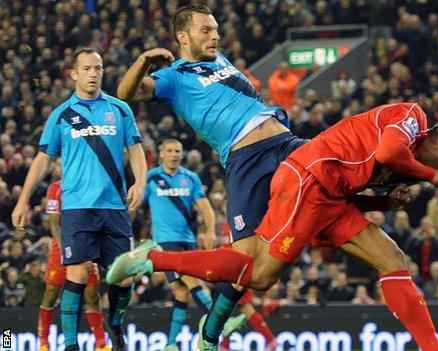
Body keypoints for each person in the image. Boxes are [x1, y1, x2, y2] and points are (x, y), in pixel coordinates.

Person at [108, 103, 438, 351]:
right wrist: (432, 175)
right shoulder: (413, 118)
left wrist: (384, 202)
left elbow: (356, 185)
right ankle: (154, 258)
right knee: (259, 274)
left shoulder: (406, 165)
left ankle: (434, 348)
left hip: (332, 198)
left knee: (393, 259)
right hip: (308, 179)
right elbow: (385, 153)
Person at [115, 4, 295, 348]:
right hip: (244, 161)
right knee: (243, 265)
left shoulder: (221, 61)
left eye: (215, 29)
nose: (215, 36)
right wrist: (142, 62)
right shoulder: (173, 76)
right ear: (182, 37)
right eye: (206, 31)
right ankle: (208, 334)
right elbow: (126, 94)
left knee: (330, 161)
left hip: (282, 142)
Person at [12, 47, 147, 351]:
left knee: (123, 279)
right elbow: (43, 160)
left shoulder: (120, 109)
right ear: (74, 74)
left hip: (114, 206)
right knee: (77, 272)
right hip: (77, 207)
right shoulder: (61, 115)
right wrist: (22, 201)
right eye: (86, 68)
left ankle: (115, 325)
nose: (93, 73)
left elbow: (136, 150)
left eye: (97, 68)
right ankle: (70, 344)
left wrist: (141, 181)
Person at [144, 138, 228, 351]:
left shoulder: (190, 179)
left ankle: (171, 344)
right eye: (170, 150)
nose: (174, 154)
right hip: (165, 241)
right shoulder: (150, 178)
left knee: (182, 292)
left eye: (178, 151)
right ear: (161, 153)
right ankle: (220, 322)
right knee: (191, 280)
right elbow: (135, 205)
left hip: (188, 240)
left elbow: (205, 207)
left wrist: (210, 230)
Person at [39, 169, 110, 351]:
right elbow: (54, 223)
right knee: (51, 294)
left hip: (87, 247)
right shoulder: (56, 189)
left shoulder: (90, 188)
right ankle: (44, 343)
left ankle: (101, 344)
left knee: (92, 296)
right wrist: (65, 250)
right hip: (61, 248)